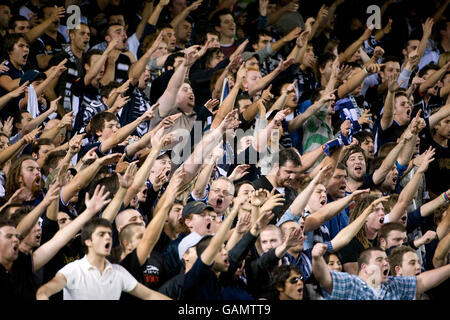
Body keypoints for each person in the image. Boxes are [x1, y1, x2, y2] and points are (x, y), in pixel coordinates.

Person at [312, 243, 450, 300]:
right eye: (379, 260)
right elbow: (325, 278)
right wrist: (317, 258)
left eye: (386, 260)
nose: (386, 263)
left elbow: (422, 281)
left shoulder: (393, 284)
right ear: (364, 267)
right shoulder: (351, 284)